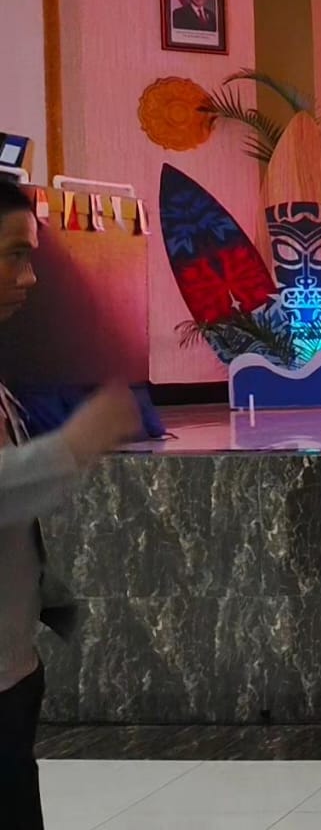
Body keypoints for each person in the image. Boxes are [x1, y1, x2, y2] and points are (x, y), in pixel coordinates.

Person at [0, 179, 143, 830]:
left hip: (12, 666)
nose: (29, 278)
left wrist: (40, 590)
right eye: (13, 256)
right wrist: (74, 445)